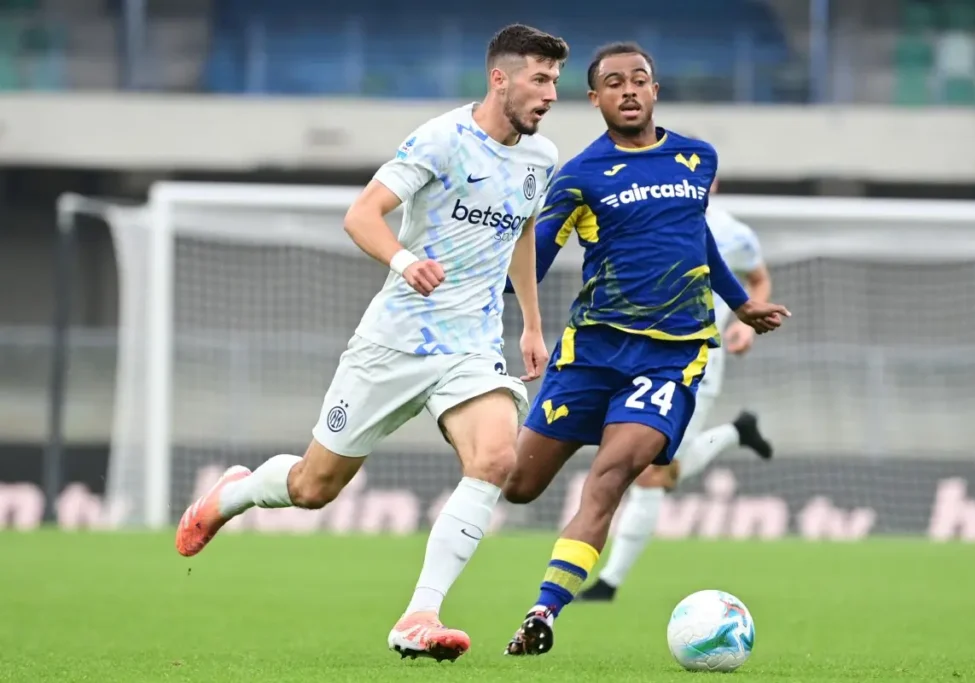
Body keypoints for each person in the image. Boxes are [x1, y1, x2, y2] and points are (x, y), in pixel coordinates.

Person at [173, 24, 568, 663]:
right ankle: (235, 493)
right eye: (540, 79)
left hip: (470, 346)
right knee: (313, 487)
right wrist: (405, 261)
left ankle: (420, 614)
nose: (550, 94)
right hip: (393, 342)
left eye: (555, 81)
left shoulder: (541, 158)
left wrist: (530, 322)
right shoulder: (441, 139)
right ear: (500, 78)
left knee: (496, 460)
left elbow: (522, 233)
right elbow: (361, 215)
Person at [499, 42, 790, 656]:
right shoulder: (578, 176)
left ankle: (543, 611)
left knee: (609, 479)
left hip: (670, 358)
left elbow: (696, 237)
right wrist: (482, 278)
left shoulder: (697, 159)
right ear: (594, 98)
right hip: (591, 352)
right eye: (614, 82)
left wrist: (740, 304)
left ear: (655, 90)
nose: (628, 90)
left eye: (639, 79)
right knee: (518, 485)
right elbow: (533, 262)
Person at [578, 176, 775, 603]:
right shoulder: (638, 217)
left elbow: (758, 279)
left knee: (653, 471)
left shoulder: (734, 233)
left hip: (696, 364)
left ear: (712, 182)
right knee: (653, 465)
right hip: (637, 356)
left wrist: (744, 325)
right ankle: (737, 432)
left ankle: (609, 583)